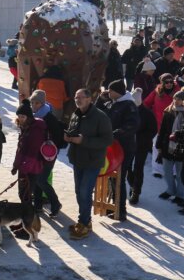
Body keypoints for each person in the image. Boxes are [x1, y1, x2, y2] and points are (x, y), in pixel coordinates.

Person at [64, 89, 113, 239]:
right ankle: (85, 222)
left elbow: (107, 140)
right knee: (79, 192)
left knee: (85, 192)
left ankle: (84, 223)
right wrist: (69, 137)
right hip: (78, 159)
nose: (77, 100)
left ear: (89, 99)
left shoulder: (100, 116)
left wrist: (83, 141)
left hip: (92, 161)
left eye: (81, 97)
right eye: (76, 97)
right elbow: (74, 132)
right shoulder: (75, 114)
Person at [104, 80, 139, 222]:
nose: (108, 93)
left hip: (124, 147)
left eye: (110, 90)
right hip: (112, 147)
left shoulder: (129, 105)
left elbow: (133, 124)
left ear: (117, 91)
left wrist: (116, 133)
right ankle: (114, 205)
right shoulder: (113, 103)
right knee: (111, 176)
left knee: (119, 177)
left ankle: (120, 210)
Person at [11, 100, 47, 231]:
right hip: (24, 168)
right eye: (19, 116)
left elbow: (32, 152)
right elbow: (21, 150)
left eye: (23, 116)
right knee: (23, 196)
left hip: (31, 169)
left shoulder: (35, 130)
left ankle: (29, 226)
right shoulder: (25, 128)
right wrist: (16, 166)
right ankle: (24, 222)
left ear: (29, 117)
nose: (20, 119)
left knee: (26, 197)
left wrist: (24, 169)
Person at [29, 90, 63, 216]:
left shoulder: (49, 117)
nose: (34, 105)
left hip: (48, 155)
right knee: (37, 178)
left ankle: (55, 203)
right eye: (32, 102)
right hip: (36, 153)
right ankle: (37, 205)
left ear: (42, 103)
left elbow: (58, 137)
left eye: (37, 103)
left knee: (41, 179)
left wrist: (48, 144)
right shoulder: (33, 115)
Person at [157, 90, 184, 205]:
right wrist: (159, 144)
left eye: (179, 99)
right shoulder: (168, 111)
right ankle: (170, 190)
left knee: (181, 173)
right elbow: (162, 130)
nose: (176, 101)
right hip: (167, 146)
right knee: (167, 171)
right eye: (175, 98)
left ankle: (181, 195)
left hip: (182, 148)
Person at [130, 88, 158, 206]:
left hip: (141, 145)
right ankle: (132, 184)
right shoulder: (128, 110)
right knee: (127, 167)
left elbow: (153, 130)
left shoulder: (147, 113)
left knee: (138, 167)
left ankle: (136, 191)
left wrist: (141, 138)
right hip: (129, 143)